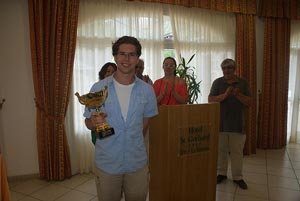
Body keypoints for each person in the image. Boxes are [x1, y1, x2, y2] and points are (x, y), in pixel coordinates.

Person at [83, 36, 158, 201]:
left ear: (137, 58)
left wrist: (130, 138)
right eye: (122, 54)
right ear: (115, 56)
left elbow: (145, 125)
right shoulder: (98, 88)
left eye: (132, 54)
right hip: (107, 164)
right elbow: (88, 122)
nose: (126, 59)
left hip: (137, 164)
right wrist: (93, 124)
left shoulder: (147, 90)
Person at [208, 58, 251, 190]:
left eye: (230, 68)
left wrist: (238, 95)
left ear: (234, 69)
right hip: (220, 124)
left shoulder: (243, 83)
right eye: (224, 68)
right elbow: (210, 100)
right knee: (221, 152)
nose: (227, 70)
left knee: (237, 153)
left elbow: (249, 102)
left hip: (238, 125)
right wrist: (225, 95)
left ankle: (238, 177)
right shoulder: (217, 82)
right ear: (222, 70)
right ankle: (221, 174)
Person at [91, 62, 118, 145]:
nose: (110, 74)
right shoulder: (97, 88)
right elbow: (89, 118)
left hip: (118, 133)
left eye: (113, 72)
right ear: (103, 74)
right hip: (101, 130)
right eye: (108, 71)